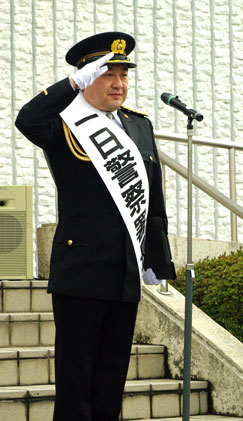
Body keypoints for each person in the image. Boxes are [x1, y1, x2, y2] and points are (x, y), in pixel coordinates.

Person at [15, 31, 175, 421]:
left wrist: (157, 258)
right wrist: (70, 85)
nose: (118, 83)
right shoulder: (64, 124)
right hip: (82, 271)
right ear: (88, 77)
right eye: (107, 74)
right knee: (77, 381)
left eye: (123, 74)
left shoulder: (138, 126)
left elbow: (152, 199)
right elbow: (26, 119)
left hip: (125, 272)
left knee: (111, 381)